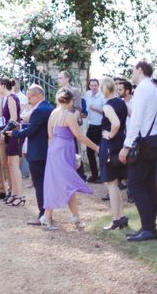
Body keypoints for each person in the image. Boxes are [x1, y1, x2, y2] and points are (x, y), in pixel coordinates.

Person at [119, 60, 157, 241]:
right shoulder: (152, 88)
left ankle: (148, 229)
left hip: (143, 143)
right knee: (149, 186)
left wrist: (126, 146)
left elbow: (136, 120)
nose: (131, 72)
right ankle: (150, 228)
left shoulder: (143, 89)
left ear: (140, 69)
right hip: (152, 141)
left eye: (133, 69)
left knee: (136, 185)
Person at [43, 88, 98, 230]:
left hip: (54, 150)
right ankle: (47, 216)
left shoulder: (53, 113)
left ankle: (75, 218)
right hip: (63, 150)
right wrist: (97, 148)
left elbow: (50, 136)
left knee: (66, 185)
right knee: (64, 184)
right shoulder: (69, 116)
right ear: (71, 101)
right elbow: (80, 136)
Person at [7, 85, 52, 225]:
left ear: (37, 95)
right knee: (44, 184)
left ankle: (42, 215)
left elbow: (32, 130)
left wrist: (13, 134)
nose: (28, 98)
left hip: (38, 152)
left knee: (39, 185)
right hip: (45, 150)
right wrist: (21, 128)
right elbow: (36, 126)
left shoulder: (39, 110)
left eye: (30, 95)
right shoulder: (48, 107)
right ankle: (47, 214)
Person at [98, 77, 129, 230]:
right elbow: (130, 116)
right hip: (120, 144)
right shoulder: (122, 102)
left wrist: (110, 135)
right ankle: (121, 217)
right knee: (114, 183)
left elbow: (115, 123)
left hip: (110, 145)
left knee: (111, 183)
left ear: (104, 89)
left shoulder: (108, 106)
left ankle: (116, 219)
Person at [0, 77, 23, 205]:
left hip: (14, 133)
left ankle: (20, 196)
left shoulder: (11, 98)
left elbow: (13, 119)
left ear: (3, 86)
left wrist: (4, 132)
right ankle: (14, 193)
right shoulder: (5, 98)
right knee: (10, 164)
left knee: (14, 165)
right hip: (10, 133)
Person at [57, 71, 85, 180]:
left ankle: (80, 176)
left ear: (67, 78)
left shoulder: (75, 91)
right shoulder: (59, 92)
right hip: (62, 125)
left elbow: (78, 109)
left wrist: (71, 122)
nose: (58, 80)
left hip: (71, 123)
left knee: (74, 150)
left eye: (60, 78)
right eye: (58, 78)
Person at [84, 79, 105, 183]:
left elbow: (106, 111)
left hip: (100, 127)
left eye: (95, 85)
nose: (93, 87)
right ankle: (94, 174)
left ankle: (103, 175)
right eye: (91, 85)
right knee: (90, 152)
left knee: (101, 152)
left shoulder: (102, 97)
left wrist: (96, 109)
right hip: (91, 126)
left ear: (98, 86)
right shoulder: (87, 94)